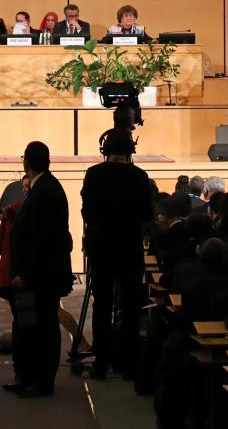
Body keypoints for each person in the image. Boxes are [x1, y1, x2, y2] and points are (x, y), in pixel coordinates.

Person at [80, 127, 152, 379]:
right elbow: (147, 214)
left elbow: (86, 212)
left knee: (102, 304)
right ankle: (130, 364)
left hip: (101, 247)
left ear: (105, 151)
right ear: (130, 151)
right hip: (130, 247)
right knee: (131, 305)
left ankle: (101, 362)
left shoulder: (93, 174)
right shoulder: (140, 177)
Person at [6, 141, 73, 397]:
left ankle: (42, 381)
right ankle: (27, 376)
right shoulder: (43, 187)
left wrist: (25, 274)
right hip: (36, 275)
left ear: (26, 162)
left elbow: (43, 241)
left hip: (39, 277)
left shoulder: (46, 191)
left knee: (43, 328)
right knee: (28, 327)